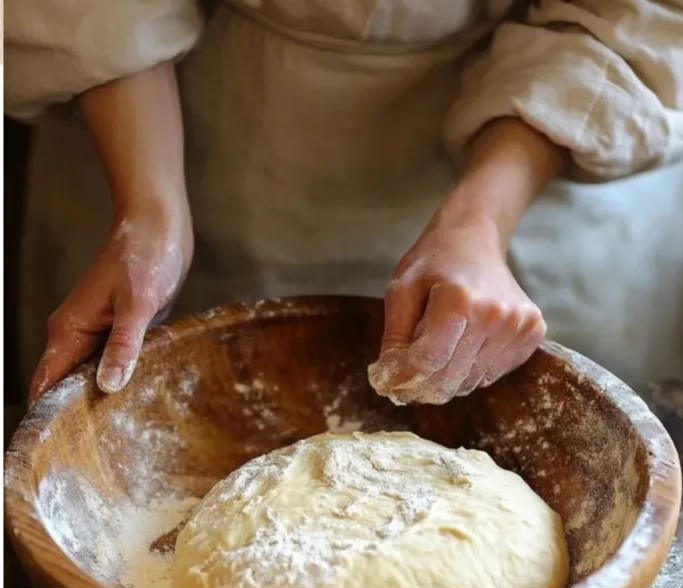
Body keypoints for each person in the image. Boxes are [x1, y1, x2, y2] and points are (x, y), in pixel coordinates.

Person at [5, 1, 683, 408]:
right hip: (168, 112)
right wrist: (147, 209)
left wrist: (479, 223)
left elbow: (642, 13)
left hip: (551, 135)